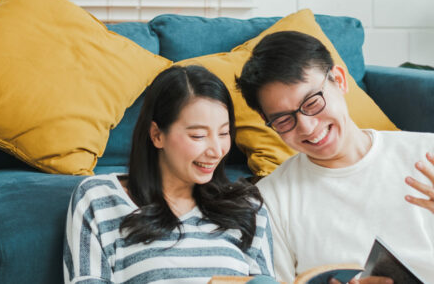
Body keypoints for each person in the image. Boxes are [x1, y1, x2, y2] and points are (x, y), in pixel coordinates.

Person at [235, 31, 434, 284]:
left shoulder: (429, 154)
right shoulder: (271, 198)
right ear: (266, 121)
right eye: (283, 120)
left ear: (340, 80)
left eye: (312, 103)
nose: (307, 127)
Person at [63, 65, 275, 283]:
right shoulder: (98, 198)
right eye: (198, 135)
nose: (216, 150)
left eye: (224, 133)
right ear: (157, 135)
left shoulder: (248, 206)